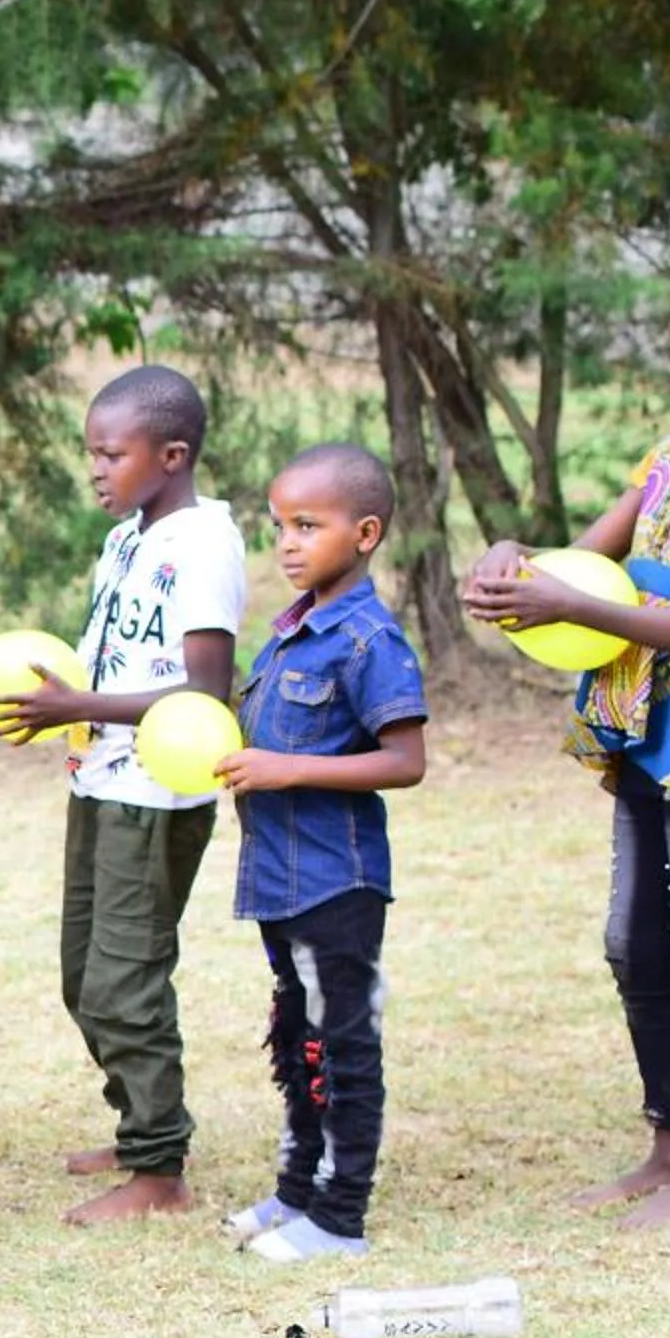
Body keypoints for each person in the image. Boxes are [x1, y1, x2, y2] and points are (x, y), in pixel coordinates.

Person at [463, 263, 670, 1229]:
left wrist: (568, 600)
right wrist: (516, 561)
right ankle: (664, 1141)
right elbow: (590, 555)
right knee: (632, 940)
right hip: (644, 713)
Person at [0, 365, 244, 1227]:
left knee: (125, 983)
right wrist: (54, 704)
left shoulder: (205, 544)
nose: (96, 469)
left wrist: (79, 707)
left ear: (172, 455)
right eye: (91, 453)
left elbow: (207, 694)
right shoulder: (127, 537)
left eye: (111, 454)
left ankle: (158, 1169)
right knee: (81, 974)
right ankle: (145, 1121)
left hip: (158, 794)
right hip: (99, 777)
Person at [210, 444, 429, 1262]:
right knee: (297, 1037)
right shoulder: (290, 635)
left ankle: (340, 1217)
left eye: (309, 525)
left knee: (343, 1044)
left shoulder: (369, 640)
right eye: (280, 527)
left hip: (337, 883)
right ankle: (295, 1192)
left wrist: (284, 768)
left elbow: (404, 760)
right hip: (278, 878)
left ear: (365, 532)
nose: (289, 543)